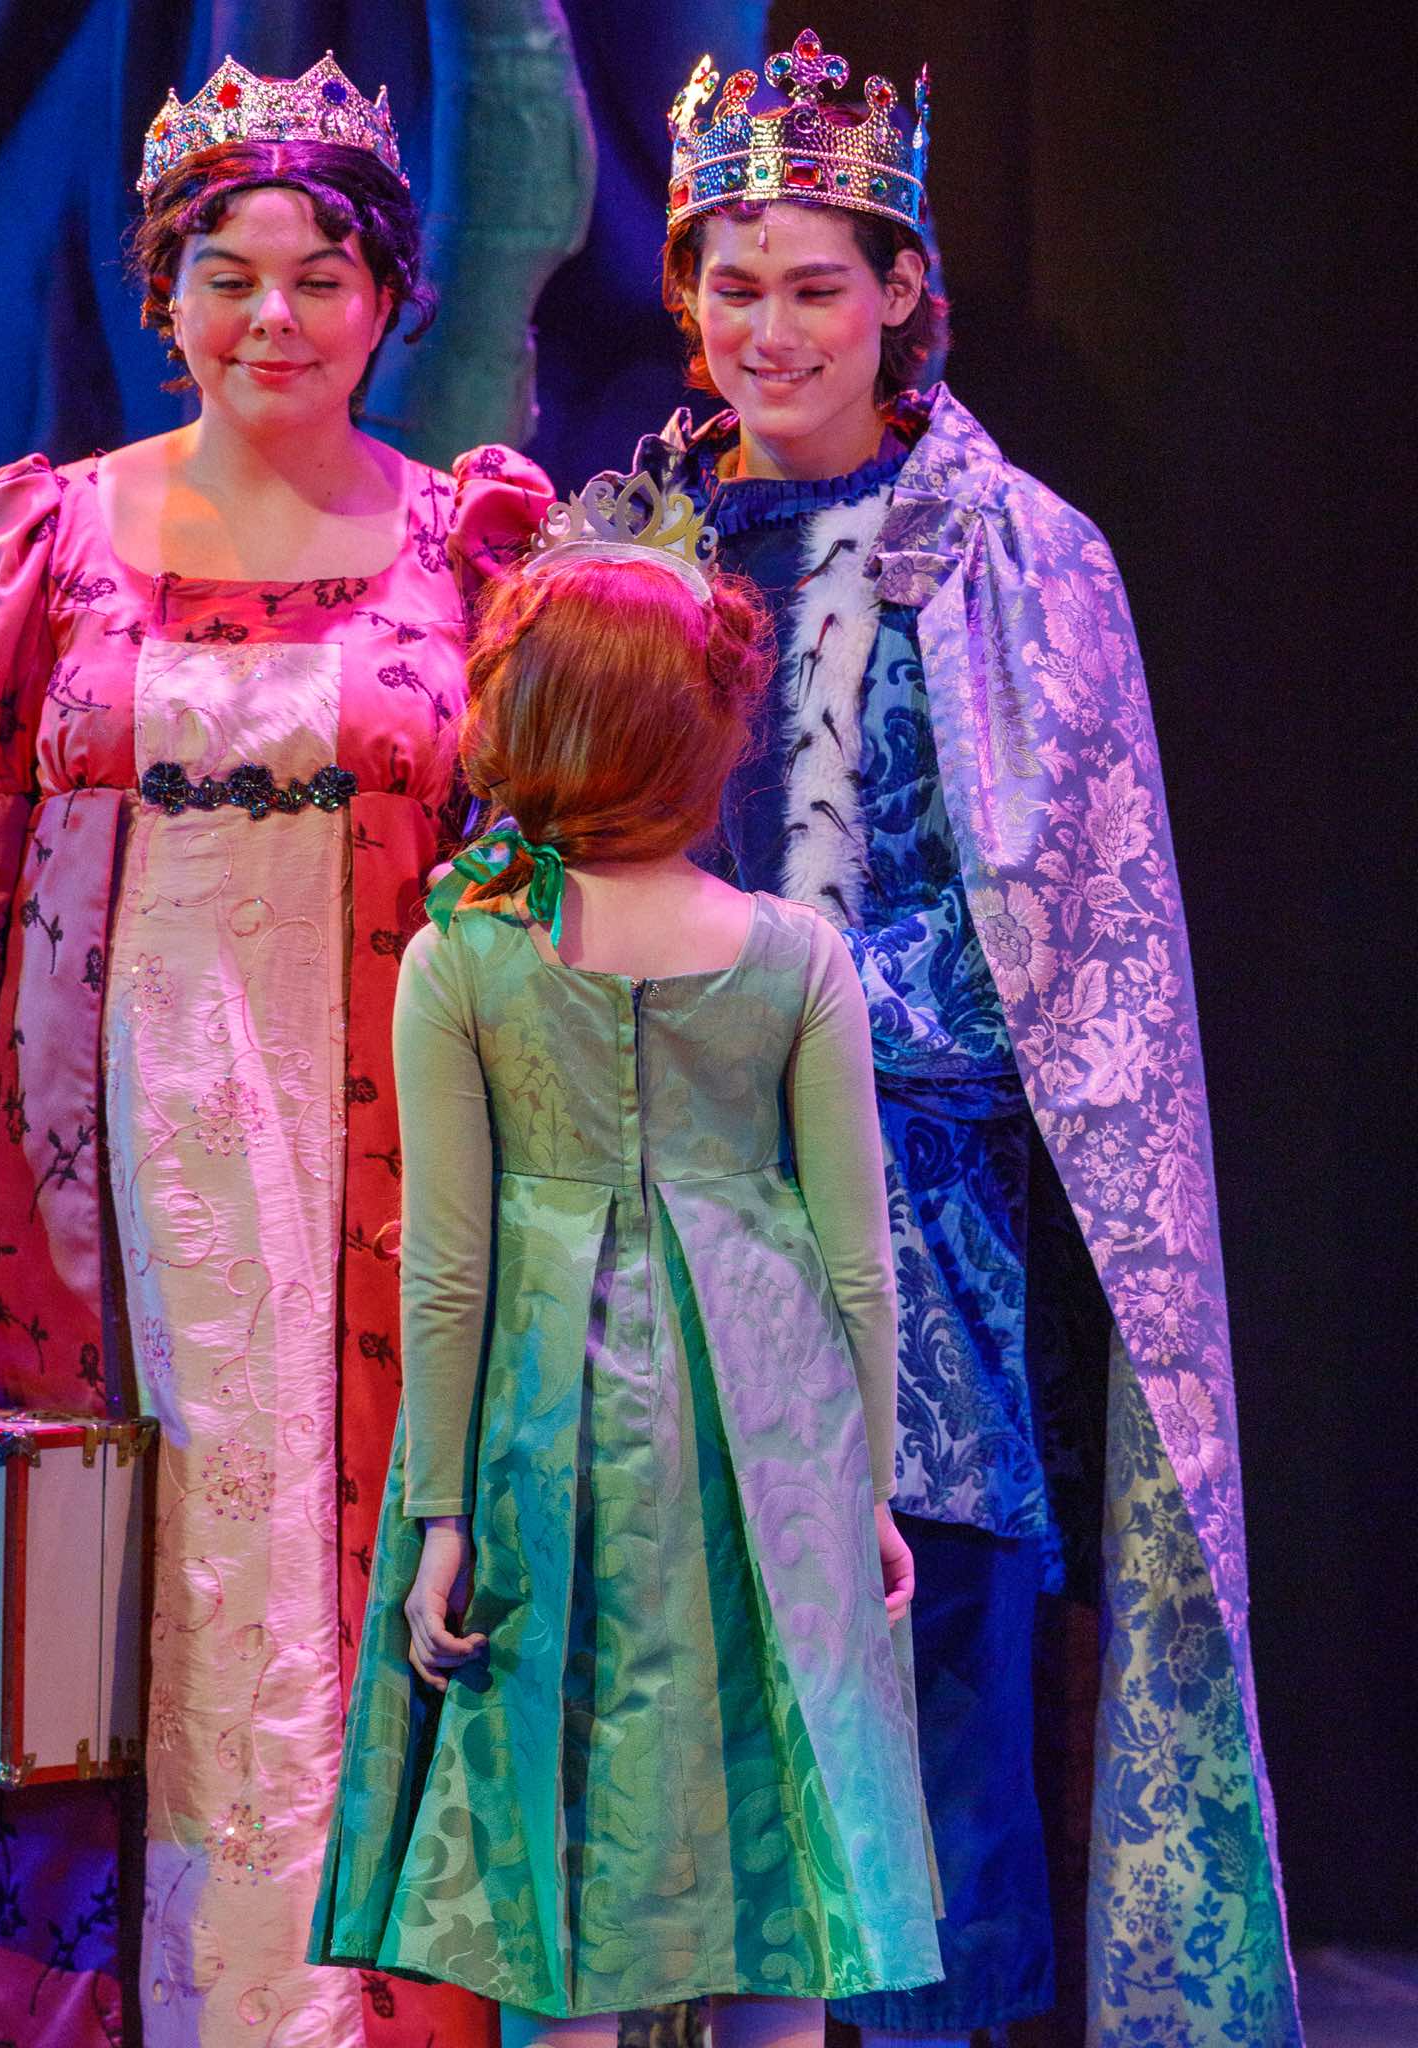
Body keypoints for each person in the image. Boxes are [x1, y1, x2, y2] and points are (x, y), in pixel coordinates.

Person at [605, 28, 1302, 2048]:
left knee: (929, 1749)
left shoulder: (1016, 556)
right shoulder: (622, 544)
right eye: (733, 285)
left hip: (919, 1250)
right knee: (677, 1743)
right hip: (650, 1222)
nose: (770, 331)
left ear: (902, 289)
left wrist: (768, 994)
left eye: (817, 286)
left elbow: (1062, 962)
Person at [0, 53, 545, 2048]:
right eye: (228, 275)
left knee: (352, 1587)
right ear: (162, 291)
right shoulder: (49, 538)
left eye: (320, 277)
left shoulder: (466, 548)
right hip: (87, 1193)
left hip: (382, 1184)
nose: (276, 318)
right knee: (107, 1613)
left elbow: (527, 909)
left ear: (392, 295)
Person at [307, 473, 944, 2047]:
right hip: (770, 1432)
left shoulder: (464, 951)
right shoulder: (795, 956)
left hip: (545, 1426)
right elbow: (860, 1264)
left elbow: (446, 1267)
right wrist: (861, 1485)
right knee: (782, 1835)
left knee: (557, 1838)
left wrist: (441, 1515)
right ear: (710, 736)